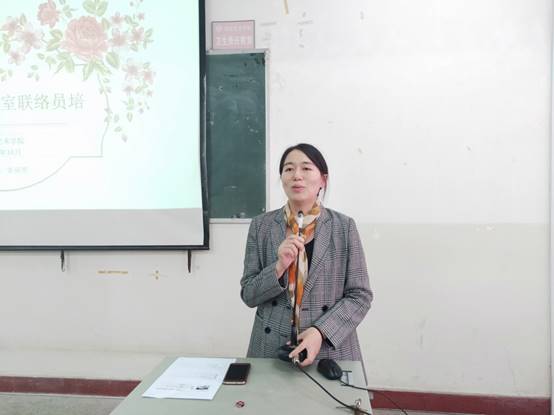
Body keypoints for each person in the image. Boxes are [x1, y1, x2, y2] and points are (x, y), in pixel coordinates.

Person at [240, 143, 373, 367]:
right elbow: (248, 295)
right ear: (282, 178)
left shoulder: (343, 227)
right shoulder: (261, 226)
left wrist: (320, 331)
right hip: (270, 348)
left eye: (306, 168)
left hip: (329, 350)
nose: (296, 176)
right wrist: (278, 267)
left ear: (323, 180)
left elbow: (360, 296)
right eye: (289, 169)